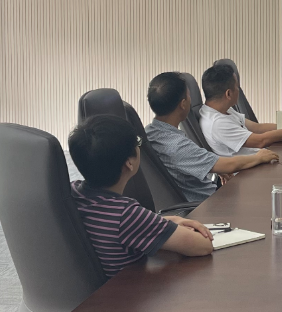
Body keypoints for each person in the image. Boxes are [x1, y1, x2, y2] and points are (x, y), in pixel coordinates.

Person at [68, 115, 214, 278]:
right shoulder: (125, 214)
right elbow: (202, 246)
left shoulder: (72, 192)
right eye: (137, 142)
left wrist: (167, 222)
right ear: (129, 163)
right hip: (132, 290)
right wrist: (167, 227)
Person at [145, 72, 278, 202]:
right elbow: (227, 164)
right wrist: (258, 157)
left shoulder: (150, 132)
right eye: (189, 96)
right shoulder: (176, 145)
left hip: (209, 195)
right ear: (183, 104)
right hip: (207, 204)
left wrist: (211, 167)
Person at [199, 63, 282, 157]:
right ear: (228, 94)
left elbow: (257, 128)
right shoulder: (217, 123)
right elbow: (261, 141)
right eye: (237, 87)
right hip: (248, 173)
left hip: (260, 160)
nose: (239, 91)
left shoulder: (221, 110)